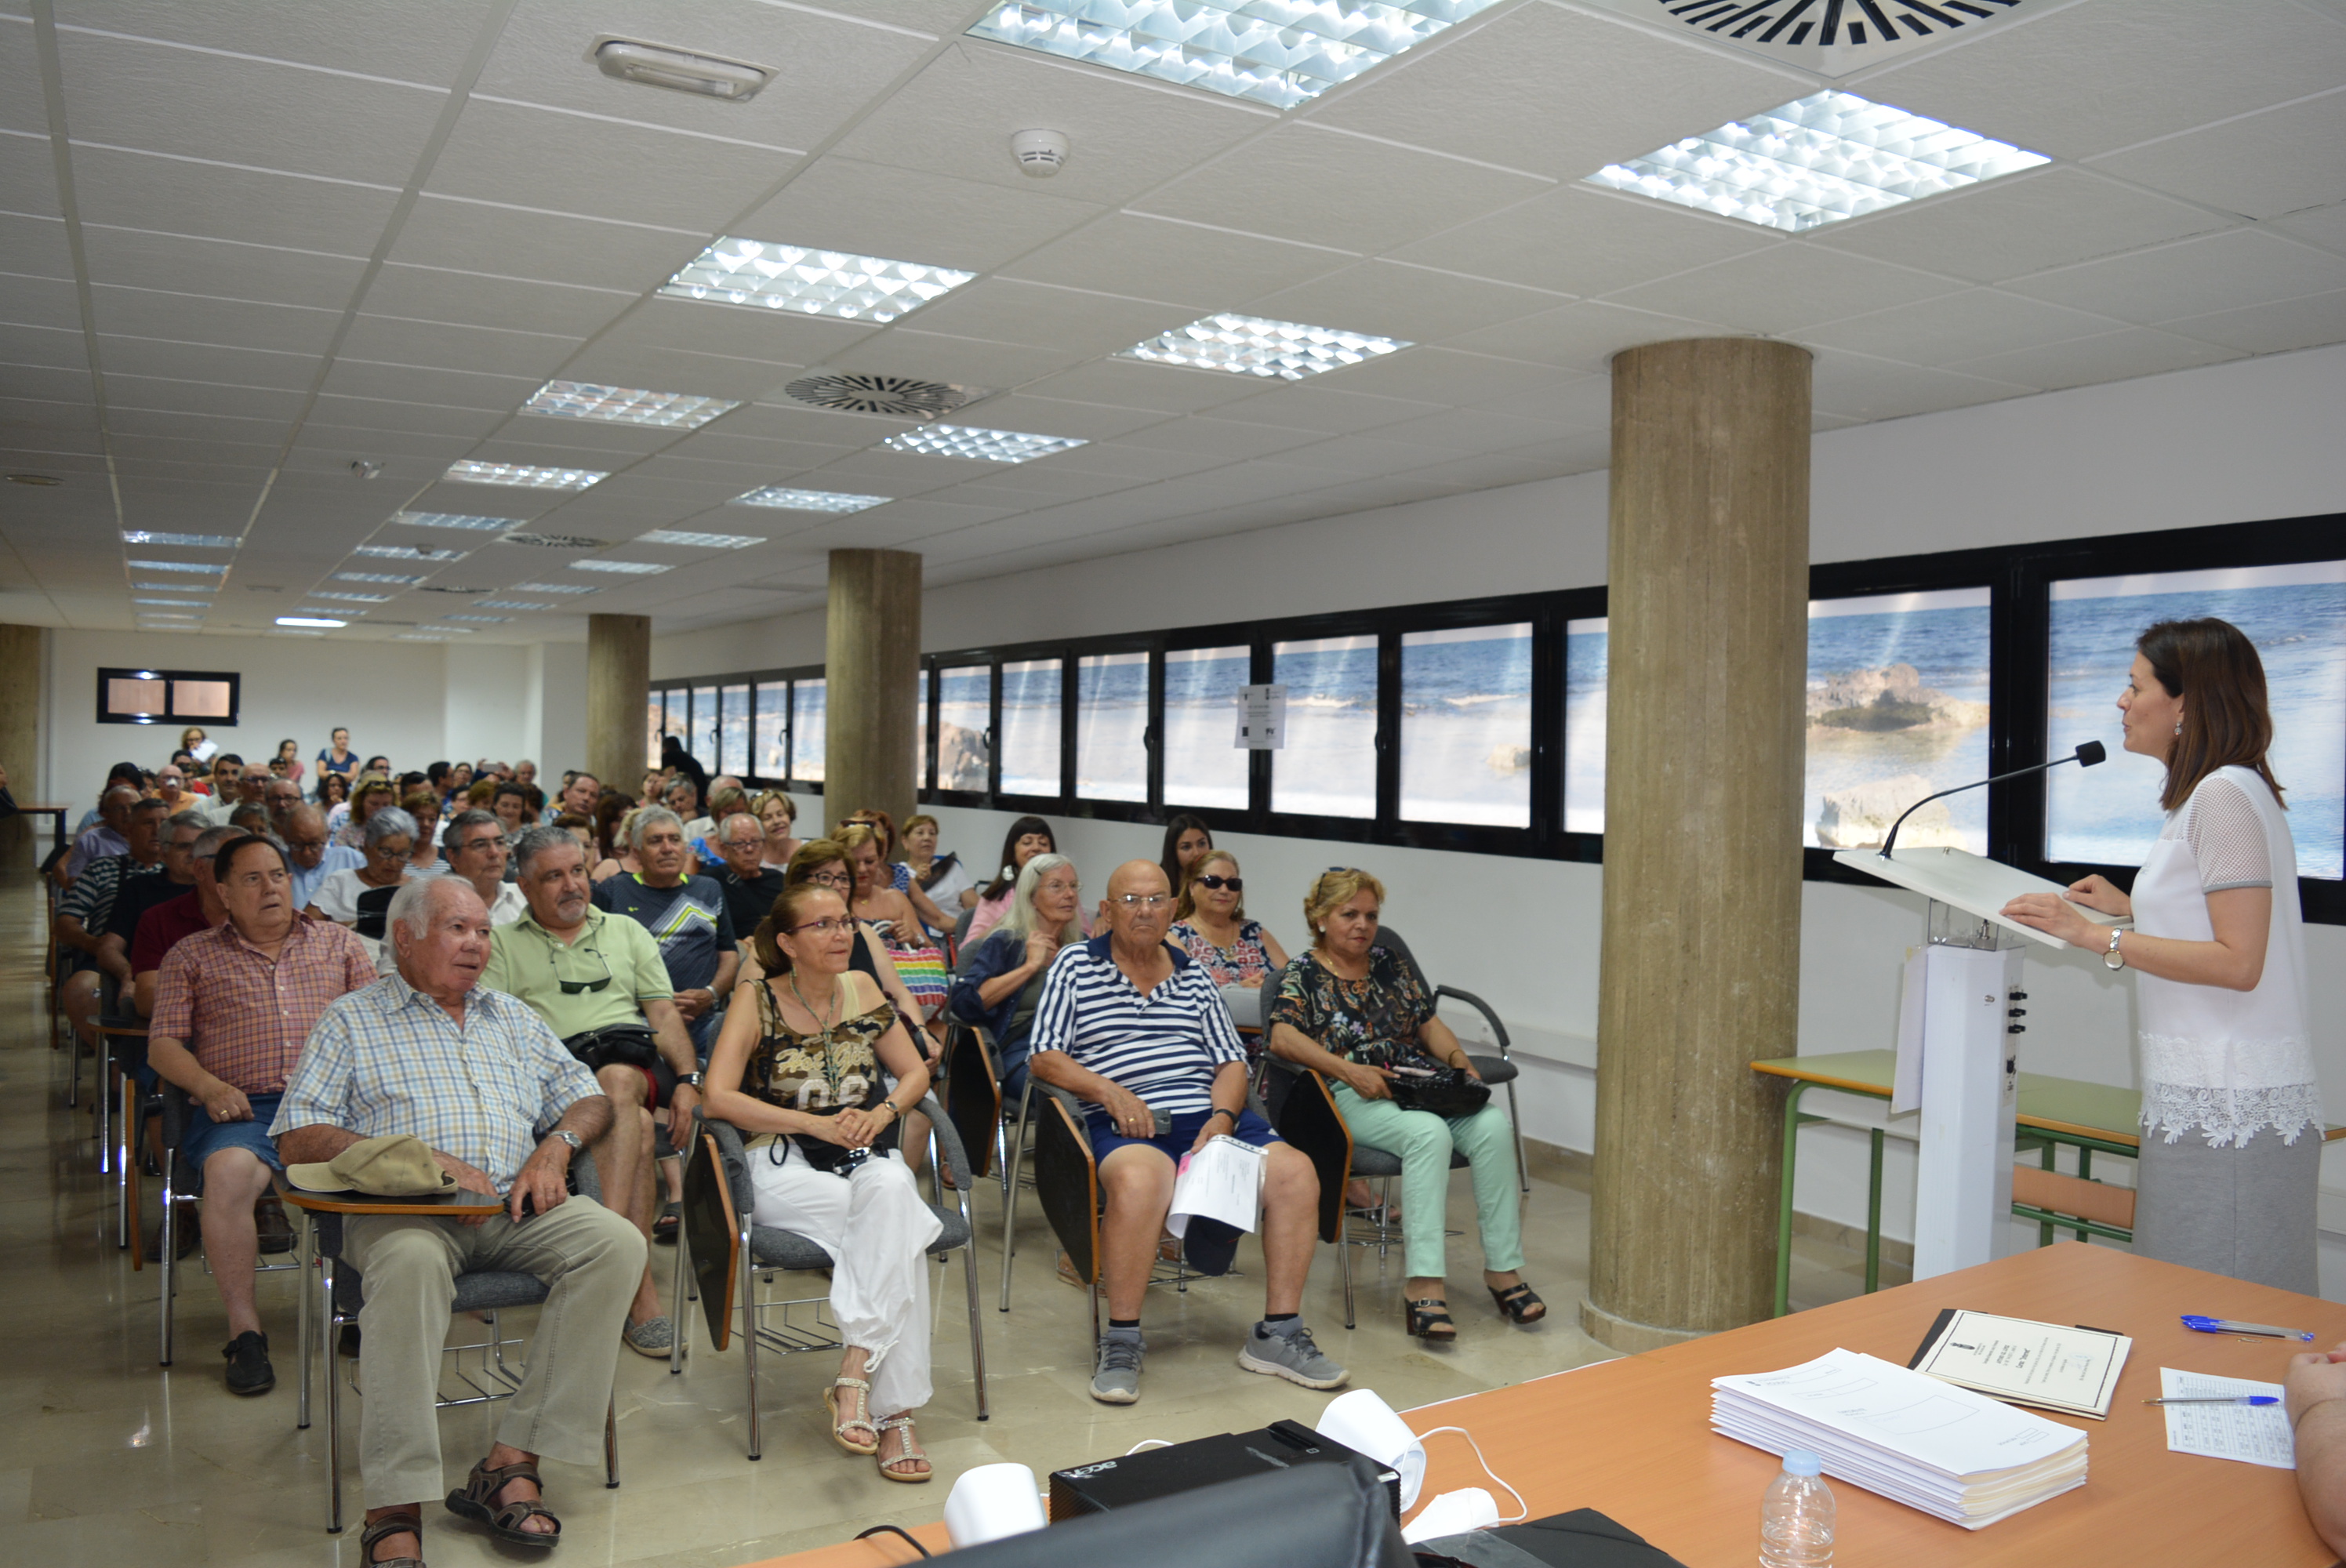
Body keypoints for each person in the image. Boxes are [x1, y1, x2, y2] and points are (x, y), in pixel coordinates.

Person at [272, 877, 643, 1566]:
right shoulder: (354, 1019)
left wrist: (555, 1150)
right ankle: (393, 1501)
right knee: (411, 1265)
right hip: (402, 1215)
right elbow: (298, 1134)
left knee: (615, 1244)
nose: (476, 944)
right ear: (405, 938)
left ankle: (509, 1463)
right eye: (457, 929)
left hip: (511, 1205)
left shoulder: (513, 1016)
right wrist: (425, 1162)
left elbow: (588, 1098)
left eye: (482, 930)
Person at [2003, 617, 2318, 1290]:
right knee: (2185, 1305)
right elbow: (2217, 919)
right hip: (2208, 1096)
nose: (2122, 701)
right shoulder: (2214, 794)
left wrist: (2093, 935)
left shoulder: (2224, 796)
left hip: (2229, 1106)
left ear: (2186, 701)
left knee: (2222, 1320)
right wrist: (2133, 907)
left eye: (2134, 685)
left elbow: (2239, 961)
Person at [1029, 861, 1346, 1406]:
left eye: (1156, 900)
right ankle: (1123, 1337)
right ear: (1106, 911)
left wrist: (1223, 1120)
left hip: (1210, 1115)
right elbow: (1044, 1056)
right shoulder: (1074, 965)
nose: (1145, 911)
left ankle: (1277, 1332)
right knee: (1139, 1181)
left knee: (1296, 1172)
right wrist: (1111, 1092)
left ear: (1174, 909)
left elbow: (1229, 1062)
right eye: (1130, 900)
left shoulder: (1193, 975)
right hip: (1128, 1122)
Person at [705, 880, 940, 1482]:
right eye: (825, 926)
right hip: (781, 1159)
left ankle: (854, 1374)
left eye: (846, 922)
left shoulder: (862, 988)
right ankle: (897, 1416)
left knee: (893, 1198)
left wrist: (883, 1114)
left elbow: (914, 1075)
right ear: (787, 941)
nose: (843, 935)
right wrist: (814, 1122)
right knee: (900, 1232)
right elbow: (718, 1097)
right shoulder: (755, 999)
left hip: (863, 1158)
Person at [148, 833, 376, 1394]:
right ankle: (245, 1334)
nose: (270, 887)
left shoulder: (339, 945)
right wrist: (206, 1084)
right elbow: (163, 1046)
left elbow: (379, 1029)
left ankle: (360, 1309)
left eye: (277, 875)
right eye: (252, 879)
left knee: (376, 1167)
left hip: (329, 1105)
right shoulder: (191, 955)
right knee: (228, 1175)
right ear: (223, 891)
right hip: (243, 1108)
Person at [1267, 869, 1537, 1340]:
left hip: (1417, 1086)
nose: (1363, 925)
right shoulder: (1302, 973)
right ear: (1320, 918)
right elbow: (1282, 1038)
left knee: (1493, 1127)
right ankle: (1424, 1284)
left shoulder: (1390, 964)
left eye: (1371, 915)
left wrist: (1456, 1059)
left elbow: (1427, 1024)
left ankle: (1503, 1269)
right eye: (1349, 914)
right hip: (1350, 1094)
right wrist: (1347, 1070)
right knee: (1427, 1135)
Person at [484, 826, 696, 1342]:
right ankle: (636, 1289)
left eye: (577, 871)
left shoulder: (626, 932)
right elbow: (492, 1032)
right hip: (549, 1084)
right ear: (525, 886)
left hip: (628, 1063)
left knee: (617, 1081)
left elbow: (663, 1013)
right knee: (640, 1128)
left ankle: (604, 1253)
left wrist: (689, 1079)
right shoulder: (501, 945)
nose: (572, 885)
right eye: (553, 876)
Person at [591, 807, 738, 1062]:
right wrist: (657, 1008)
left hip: (702, 1019)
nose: (667, 848)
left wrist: (711, 994)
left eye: (674, 839)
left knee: (738, 1031)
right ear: (637, 852)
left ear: (685, 846)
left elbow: (728, 955)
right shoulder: (614, 891)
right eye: (656, 841)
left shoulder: (708, 889)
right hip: (639, 1022)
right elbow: (594, 960)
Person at [948, 854, 1082, 1105]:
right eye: (1057, 886)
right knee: (1069, 1097)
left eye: (1073, 886)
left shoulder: (1081, 946)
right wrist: (1030, 967)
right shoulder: (1007, 942)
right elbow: (965, 1003)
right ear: (1031, 896)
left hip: (1076, 1049)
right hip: (1023, 1050)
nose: (1070, 894)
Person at [56, 796, 167, 1048]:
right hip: (105, 957)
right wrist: (96, 945)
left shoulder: (179, 875)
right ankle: (114, 1064)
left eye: (164, 823)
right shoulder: (101, 869)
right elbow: (65, 923)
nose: (158, 830)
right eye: (148, 823)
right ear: (129, 829)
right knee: (80, 988)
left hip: (164, 959)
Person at [841, 822, 946, 1035]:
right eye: (855, 862)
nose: (862, 869)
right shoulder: (836, 902)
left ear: (880, 859)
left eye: (869, 861)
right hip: (853, 999)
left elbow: (929, 948)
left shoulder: (896, 899)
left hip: (903, 997)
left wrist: (913, 937)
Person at [131, 823, 239, 1018]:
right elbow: (147, 999)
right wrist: (221, 1004)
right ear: (200, 869)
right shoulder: (158, 920)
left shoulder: (269, 920)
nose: (244, 873)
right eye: (231, 863)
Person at [1168, 851, 1290, 989]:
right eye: (1213, 882)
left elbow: (1295, 981)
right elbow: (1183, 995)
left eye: (1233, 883)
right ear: (1192, 887)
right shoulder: (1176, 936)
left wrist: (1269, 989)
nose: (1224, 890)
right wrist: (1237, 992)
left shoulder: (1255, 932)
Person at [306, 807, 413, 927]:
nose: (393, 862)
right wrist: (351, 927)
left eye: (402, 855)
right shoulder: (340, 882)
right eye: (386, 852)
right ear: (367, 846)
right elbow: (306, 924)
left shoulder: (416, 890)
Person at [965, 815, 1064, 945]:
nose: (1036, 848)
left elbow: (1082, 937)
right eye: (1027, 843)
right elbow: (968, 950)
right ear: (1012, 852)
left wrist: (1099, 919)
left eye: (1043, 843)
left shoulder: (1065, 892)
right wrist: (1010, 919)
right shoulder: (995, 896)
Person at [708, 813, 787, 944]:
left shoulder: (778, 880)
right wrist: (738, 944)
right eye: (740, 844)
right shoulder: (711, 882)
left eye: (756, 842)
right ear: (724, 849)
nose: (750, 849)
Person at [440, 808, 528, 927]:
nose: (494, 853)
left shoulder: (525, 897)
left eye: (500, 843)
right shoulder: (437, 905)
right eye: (480, 845)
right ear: (453, 857)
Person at [282, 804, 364, 912]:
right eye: (298, 845)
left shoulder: (351, 860)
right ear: (285, 838)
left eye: (314, 844)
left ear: (327, 836)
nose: (307, 853)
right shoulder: (277, 864)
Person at [902, 814, 973, 925]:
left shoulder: (951, 867)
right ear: (905, 842)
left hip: (956, 932)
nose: (927, 838)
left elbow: (973, 904)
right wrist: (916, 883)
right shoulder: (899, 872)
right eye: (920, 833)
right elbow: (899, 908)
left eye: (932, 833)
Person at [64, 784, 139, 880]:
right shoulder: (90, 840)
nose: (127, 812)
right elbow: (74, 882)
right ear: (105, 814)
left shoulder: (151, 838)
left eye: (133, 806)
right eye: (119, 808)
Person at [330, 774, 397, 848]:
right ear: (361, 802)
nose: (380, 809)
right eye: (374, 804)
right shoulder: (346, 832)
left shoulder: (399, 833)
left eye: (386, 805)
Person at [1159, 814, 1214, 902]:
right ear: (1173, 852)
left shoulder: (1218, 882)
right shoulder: (1159, 885)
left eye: (1202, 844)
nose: (1196, 853)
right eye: (1186, 847)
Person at [754, 789, 801, 869]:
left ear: (790, 815)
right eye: (767, 818)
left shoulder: (809, 850)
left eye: (780, 814)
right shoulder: (753, 859)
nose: (776, 821)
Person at [401, 791, 445, 878]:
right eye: (419, 818)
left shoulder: (448, 857)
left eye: (431, 819)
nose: (426, 824)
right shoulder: (397, 858)